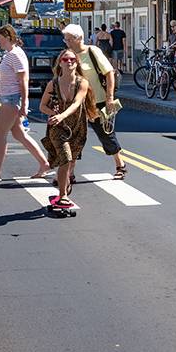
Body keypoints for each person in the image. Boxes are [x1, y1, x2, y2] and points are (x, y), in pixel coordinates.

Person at [0, 25, 50, 182]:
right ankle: (44, 163)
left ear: (6, 37)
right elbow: (12, 78)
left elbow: (23, 80)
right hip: (8, 96)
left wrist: (25, 103)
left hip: (11, 99)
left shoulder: (15, 54)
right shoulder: (10, 54)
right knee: (19, 134)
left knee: (0, 135)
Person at [66, 22, 126, 179]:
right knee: (75, 136)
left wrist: (109, 97)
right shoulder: (68, 55)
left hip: (98, 101)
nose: (66, 42)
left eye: (69, 39)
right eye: (65, 39)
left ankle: (120, 165)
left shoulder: (92, 51)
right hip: (77, 103)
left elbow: (109, 73)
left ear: (78, 38)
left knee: (105, 133)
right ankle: (70, 172)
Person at [39, 49, 90, 217]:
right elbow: (42, 106)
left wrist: (62, 115)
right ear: (59, 63)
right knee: (65, 158)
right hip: (57, 128)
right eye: (66, 59)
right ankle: (63, 196)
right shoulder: (53, 84)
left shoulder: (82, 83)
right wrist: (54, 115)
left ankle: (64, 183)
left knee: (71, 161)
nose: (69, 62)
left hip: (76, 127)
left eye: (73, 59)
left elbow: (76, 104)